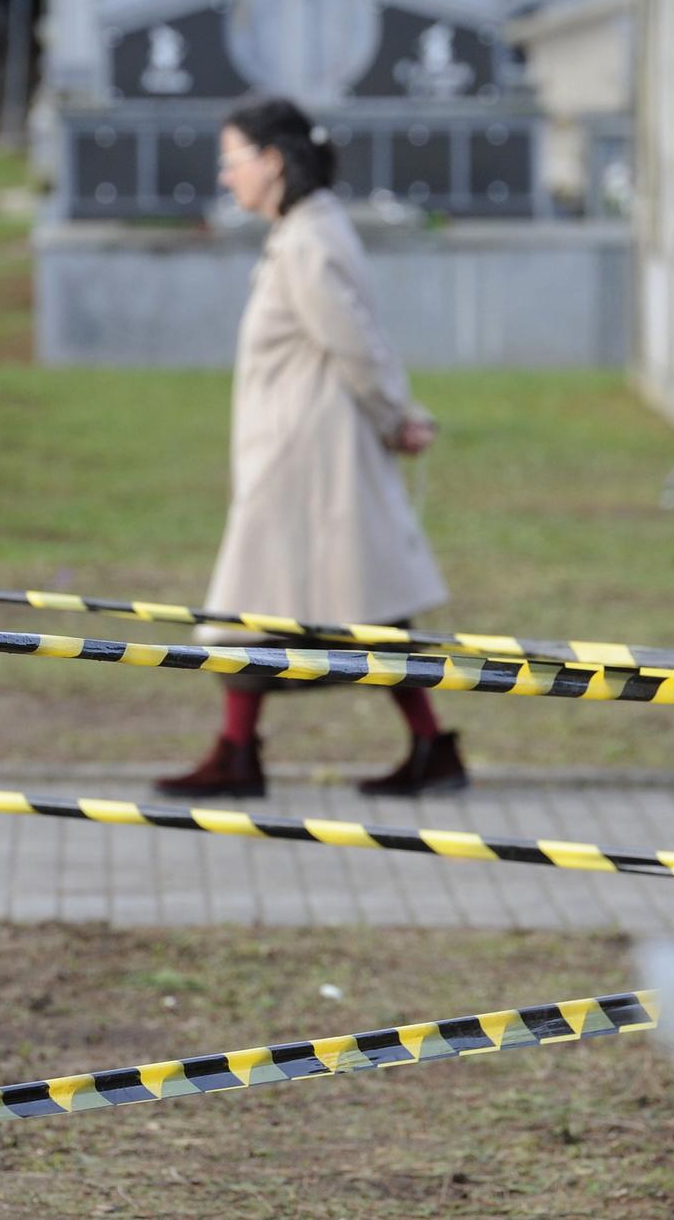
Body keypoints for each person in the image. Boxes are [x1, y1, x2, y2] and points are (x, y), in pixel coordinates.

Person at [153, 97, 465, 800]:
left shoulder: (307, 240)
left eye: (233, 159)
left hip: (304, 461)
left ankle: (243, 753)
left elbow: (355, 339)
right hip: (302, 452)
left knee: (263, 609)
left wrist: (398, 415)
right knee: (350, 608)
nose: (226, 176)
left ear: (272, 160)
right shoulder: (305, 231)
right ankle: (419, 745)